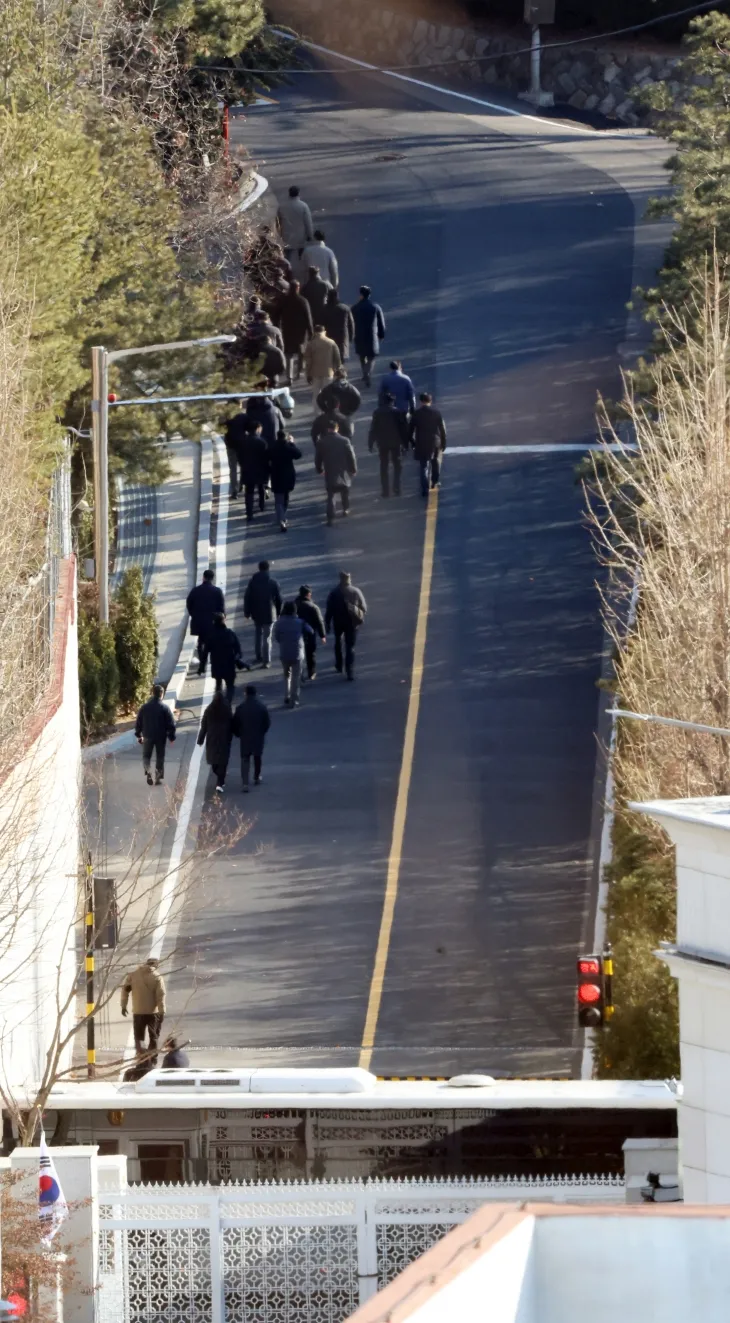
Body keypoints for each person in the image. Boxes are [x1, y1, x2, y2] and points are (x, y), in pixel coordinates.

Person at [325, 570, 367, 680]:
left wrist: (327, 623)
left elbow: (329, 610)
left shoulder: (334, 592)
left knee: (338, 642)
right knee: (350, 647)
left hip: (338, 622)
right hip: (352, 623)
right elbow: (364, 608)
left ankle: (339, 665)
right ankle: (350, 671)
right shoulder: (356, 591)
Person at [121, 958, 166, 1059]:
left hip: (138, 1012)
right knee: (153, 1036)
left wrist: (123, 1005)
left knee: (139, 1037)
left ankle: (141, 1057)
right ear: (156, 965)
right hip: (153, 1013)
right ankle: (153, 1057)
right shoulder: (157, 977)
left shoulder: (133, 975)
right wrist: (162, 1011)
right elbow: (161, 996)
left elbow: (125, 990)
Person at [315, 419, 358, 525]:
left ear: (327, 429)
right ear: (337, 428)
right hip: (343, 470)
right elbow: (351, 456)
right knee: (345, 490)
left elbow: (318, 458)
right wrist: (353, 469)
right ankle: (345, 508)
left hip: (330, 470)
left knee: (331, 495)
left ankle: (330, 517)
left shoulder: (322, 442)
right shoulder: (344, 440)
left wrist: (319, 469)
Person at [273, 601, 315, 708]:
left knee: (287, 675)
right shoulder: (300, 622)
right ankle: (294, 699)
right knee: (296, 677)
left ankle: (286, 695)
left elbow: (276, 637)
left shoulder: (279, 623)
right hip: (297, 652)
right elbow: (311, 631)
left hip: (284, 652)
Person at [368, 391, 408, 498]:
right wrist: (406, 443)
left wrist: (371, 443)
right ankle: (397, 488)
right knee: (397, 466)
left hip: (383, 442)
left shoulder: (377, 412)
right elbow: (403, 429)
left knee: (384, 466)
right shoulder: (398, 412)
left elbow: (373, 429)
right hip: (396, 442)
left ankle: (385, 491)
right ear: (393, 401)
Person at [135, 683, 176, 786]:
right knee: (160, 756)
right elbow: (171, 724)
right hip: (160, 737)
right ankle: (158, 777)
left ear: (153, 694)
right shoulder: (164, 708)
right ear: (161, 694)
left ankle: (148, 770)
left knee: (146, 756)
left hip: (147, 736)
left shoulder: (144, 707)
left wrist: (139, 735)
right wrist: (171, 737)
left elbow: (138, 722)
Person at [232, 684, 271, 791]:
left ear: (245, 694)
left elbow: (235, 724)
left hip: (245, 737)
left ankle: (245, 783)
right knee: (257, 757)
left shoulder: (240, 708)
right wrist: (262, 732)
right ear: (256, 693)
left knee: (245, 759)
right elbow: (267, 723)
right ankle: (256, 777)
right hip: (258, 737)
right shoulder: (262, 707)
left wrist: (238, 734)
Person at [243, 560, 282, 666]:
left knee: (258, 634)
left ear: (259, 568)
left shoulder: (252, 582)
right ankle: (266, 660)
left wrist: (247, 612)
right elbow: (278, 599)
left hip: (256, 612)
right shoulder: (273, 582)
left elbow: (247, 597)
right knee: (267, 637)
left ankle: (258, 656)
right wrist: (278, 612)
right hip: (270, 613)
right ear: (268, 568)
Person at [186, 568, 224, 676]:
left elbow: (189, 604)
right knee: (213, 643)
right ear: (213, 578)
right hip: (213, 622)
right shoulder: (217, 591)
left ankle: (203, 662)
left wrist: (193, 614)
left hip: (198, 622)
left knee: (201, 643)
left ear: (203, 577)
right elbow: (221, 608)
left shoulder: (195, 590)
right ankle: (213, 662)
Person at [410, 391, 447, 496]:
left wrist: (412, 443)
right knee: (435, 462)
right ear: (430, 401)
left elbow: (410, 431)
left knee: (423, 466)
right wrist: (443, 443)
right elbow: (442, 430)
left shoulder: (416, 414)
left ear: (421, 401)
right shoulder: (437, 413)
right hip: (435, 442)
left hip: (421, 443)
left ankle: (424, 489)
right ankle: (434, 481)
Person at [230, 418, 269, 520]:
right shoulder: (262, 442)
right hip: (260, 469)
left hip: (247, 469)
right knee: (261, 488)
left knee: (249, 492)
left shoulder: (243, 442)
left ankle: (249, 512)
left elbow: (239, 457)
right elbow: (266, 457)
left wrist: (243, 465)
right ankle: (261, 505)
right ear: (257, 429)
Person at [276, 279, 313, 384]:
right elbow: (308, 317)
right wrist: (311, 332)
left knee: (289, 354)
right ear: (298, 288)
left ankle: (289, 376)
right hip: (300, 331)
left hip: (287, 330)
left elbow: (276, 315)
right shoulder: (303, 301)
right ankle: (299, 372)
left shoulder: (283, 300)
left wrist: (277, 327)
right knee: (301, 352)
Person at [196, 689, 233, 794]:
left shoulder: (209, 710)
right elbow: (232, 722)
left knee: (214, 761)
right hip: (225, 738)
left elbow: (204, 726)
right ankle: (220, 781)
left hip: (212, 739)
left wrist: (200, 740)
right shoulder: (227, 709)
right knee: (223, 761)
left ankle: (219, 782)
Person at [208, 611, 248, 702]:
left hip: (216, 664)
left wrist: (201, 666)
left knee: (218, 684)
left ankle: (218, 703)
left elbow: (205, 651)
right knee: (230, 686)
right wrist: (238, 660)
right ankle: (228, 703)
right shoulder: (229, 633)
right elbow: (238, 649)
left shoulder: (211, 635)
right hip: (229, 664)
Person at [351, 285, 386, 386]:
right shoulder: (375, 307)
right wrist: (381, 335)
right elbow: (381, 323)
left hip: (359, 336)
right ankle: (368, 373)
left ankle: (364, 373)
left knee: (362, 356)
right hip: (372, 336)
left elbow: (351, 323)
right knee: (371, 357)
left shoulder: (355, 308)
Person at [269, 432, 302, 532]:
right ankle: (282, 517)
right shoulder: (288, 447)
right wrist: (292, 443)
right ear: (286, 438)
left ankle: (281, 518)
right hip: (288, 475)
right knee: (286, 496)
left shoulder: (273, 447)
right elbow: (298, 455)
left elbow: (266, 457)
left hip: (276, 475)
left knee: (278, 499)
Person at [304, 325, 341, 409]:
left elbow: (308, 361)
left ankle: (317, 413)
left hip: (315, 373)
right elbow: (337, 357)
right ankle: (329, 412)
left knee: (316, 395)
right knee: (329, 394)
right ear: (324, 332)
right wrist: (338, 369)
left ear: (315, 332)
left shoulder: (311, 344)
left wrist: (308, 374)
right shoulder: (331, 342)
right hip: (328, 372)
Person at [295, 585, 327, 681]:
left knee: (298, 654)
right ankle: (311, 672)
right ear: (308, 594)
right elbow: (319, 621)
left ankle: (299, 674)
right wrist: (323, 635)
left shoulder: (294, 605)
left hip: (296, 633)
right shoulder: (313, 607)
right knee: (310, 653)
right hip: (310, 633)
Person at [277, 184, 313, 262]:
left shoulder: (282, 206)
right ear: (298, 193)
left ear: (289, 193)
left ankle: (287, 270)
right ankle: (301, 267)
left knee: (287, 257)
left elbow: (278, 222)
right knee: (301, 256)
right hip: (300, 236)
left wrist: (278, 235)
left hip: (286, 235)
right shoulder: (303, 206)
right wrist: (310, 235)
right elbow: (308, 222)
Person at [323, 287, 355, 361]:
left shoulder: (325, 309)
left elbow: (321, 323)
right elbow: (351, 325)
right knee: (341, 360)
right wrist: (351, 337)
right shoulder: (345, 309)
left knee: (330, 360)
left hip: (328, 338)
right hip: (342, 339)